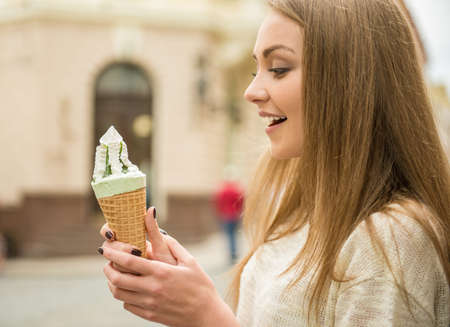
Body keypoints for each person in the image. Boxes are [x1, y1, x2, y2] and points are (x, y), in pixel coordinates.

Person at [96, 0, 450, 326]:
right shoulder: (299, 210)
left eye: (278, 68)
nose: (252, 91)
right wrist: (185, 286)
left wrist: (206, 315)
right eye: (257, 69)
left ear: (351, 82)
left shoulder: (392, 240)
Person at [213, 180, 244, 263]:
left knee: (229, 235)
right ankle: (234, 252)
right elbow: (241, 202)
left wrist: (221, 213)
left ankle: (231, 253)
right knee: (234, 234)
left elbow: (218, 203)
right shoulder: (236, 191)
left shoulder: (222, 192)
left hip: (226, 216)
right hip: (235, 215)